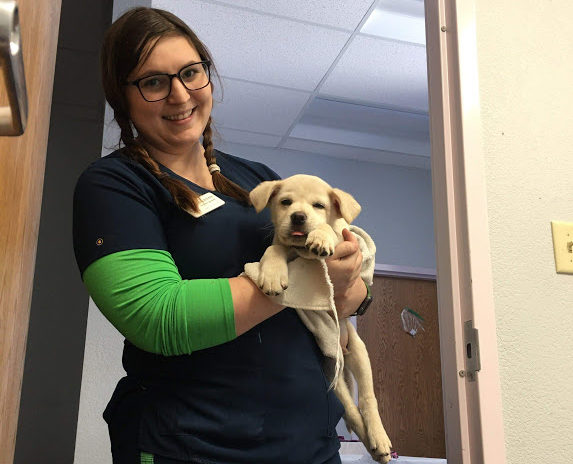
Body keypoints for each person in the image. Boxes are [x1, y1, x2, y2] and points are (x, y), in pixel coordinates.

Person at [73, 7, 369, 464]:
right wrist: (308, 279)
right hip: (195, 447)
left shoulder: (258, 179)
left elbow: (342, 299)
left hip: (309, 445)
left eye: (191, 73)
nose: (179, 94)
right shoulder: (115, 185)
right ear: (123, 98)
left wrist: (351, 280)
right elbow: (159, 318)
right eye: (154, 82)